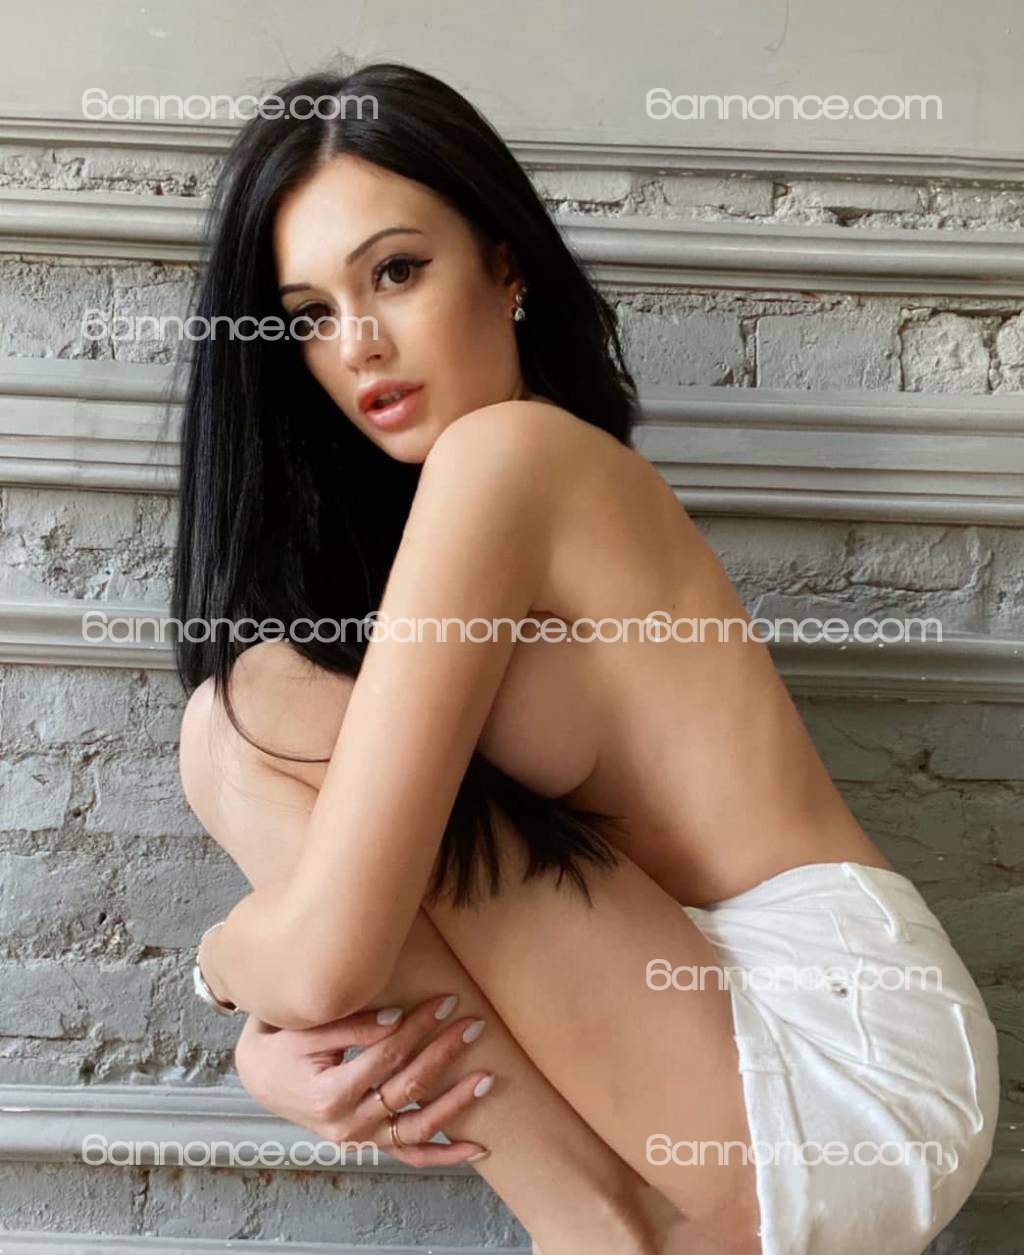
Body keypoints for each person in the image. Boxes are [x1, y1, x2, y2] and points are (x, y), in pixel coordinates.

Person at [172, 60, 1000, 1255]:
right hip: (752, 1037)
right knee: (261, 721)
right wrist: (287, 999)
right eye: (308, 314)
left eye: (396, 271)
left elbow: (327, 959)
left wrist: (225, 980)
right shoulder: (483, 508)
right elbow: (347, 934)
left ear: (505, 266)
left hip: (831, 1038)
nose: (358, 344)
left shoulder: (507, 460)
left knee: (239, 717)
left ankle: (594, 1236)